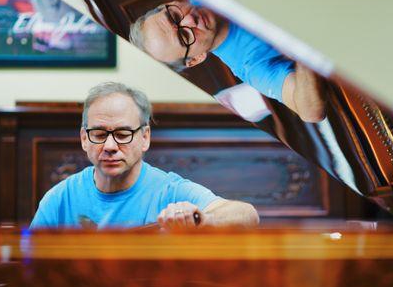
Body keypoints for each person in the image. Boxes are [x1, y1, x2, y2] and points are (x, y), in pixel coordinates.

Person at [30, 82, 259, 229]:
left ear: (145, 138)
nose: (110, 145)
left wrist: (202, 220)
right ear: (84, 139)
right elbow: (28, 267)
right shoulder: (60, 198)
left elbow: (248, 216)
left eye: (123, 134)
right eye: (99, 134)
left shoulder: (169, 190)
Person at [129, 0, 327, 123]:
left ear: (169, 3)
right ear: (196, 59)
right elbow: (310, 112)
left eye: (173, 16)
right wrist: (303, 48)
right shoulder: (251, 66)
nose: (190, 21)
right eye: (184, 37)